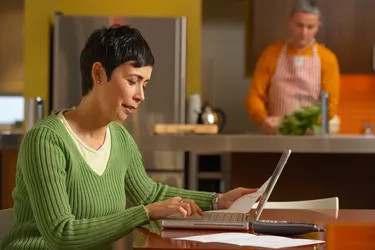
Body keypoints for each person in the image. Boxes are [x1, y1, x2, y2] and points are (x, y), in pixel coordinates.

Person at [0, 25, 258, 250]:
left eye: (144, 84)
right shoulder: (46, 141)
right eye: (133, 81)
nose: (140, 96)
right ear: (99, 73)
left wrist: (219, 200)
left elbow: (150, 193)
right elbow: (60, 234)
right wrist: (144, 213)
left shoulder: (119, 138)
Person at [245, 0, 340, 134]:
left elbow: (330, 105)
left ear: (318, 26)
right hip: (275, 134)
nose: (304, 32)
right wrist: (263, 119)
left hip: (311, 137)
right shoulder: (270, 55)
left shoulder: (328, 59)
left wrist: (309, 122)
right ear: (290, 21)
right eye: (299, 25)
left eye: (310, 27)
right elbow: (254, 97)